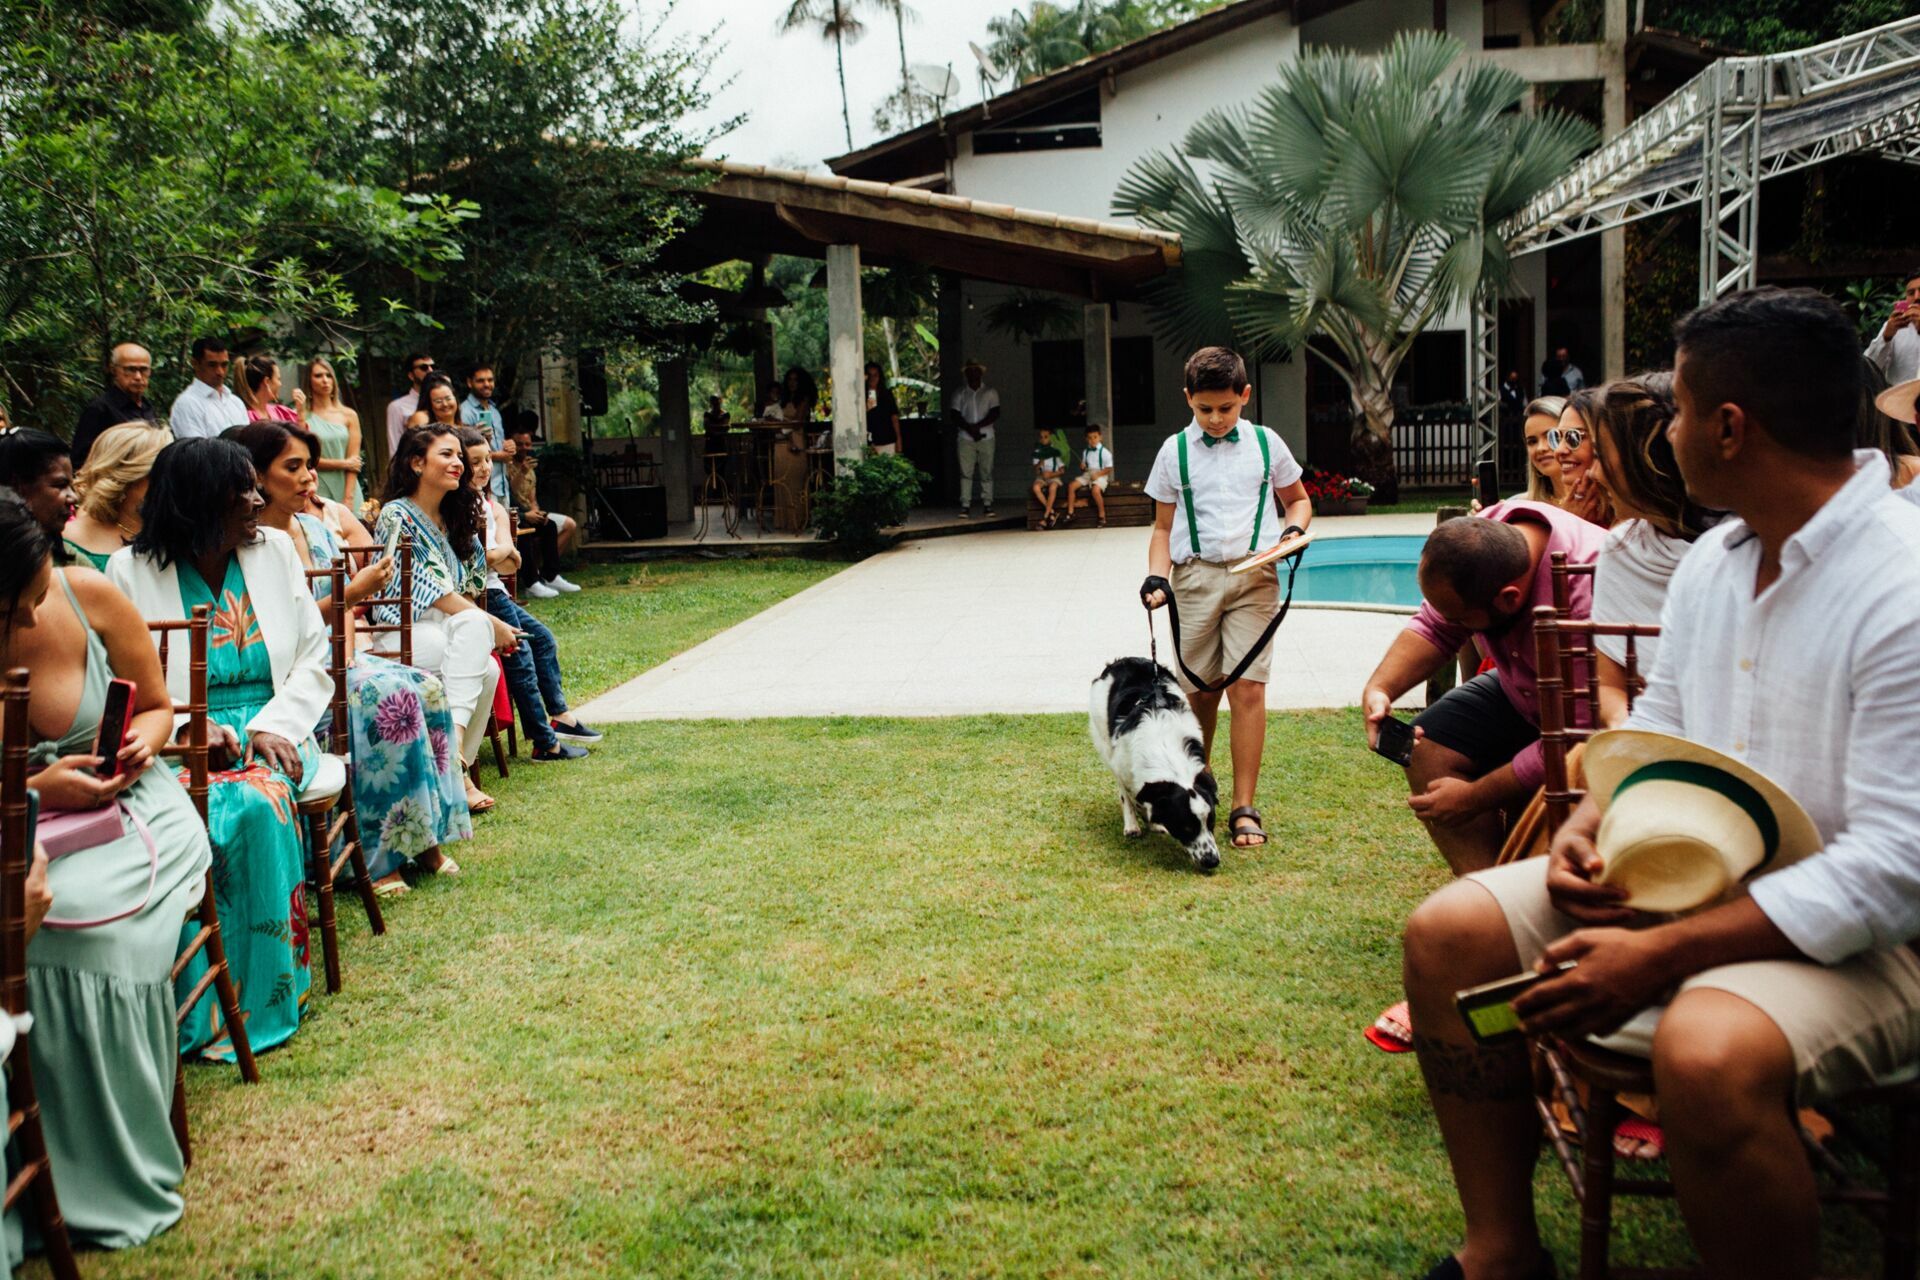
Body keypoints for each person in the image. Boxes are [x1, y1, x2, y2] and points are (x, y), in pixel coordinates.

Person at [1402, 286, 1920, 1280]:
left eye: (1678, 410)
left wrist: (1663, 952)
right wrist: (1591, 818)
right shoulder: (1717, 562)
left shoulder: (1900, 579)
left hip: (1880, 943)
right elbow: (1658, 724)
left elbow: (1895, 870)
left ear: (1730, 428)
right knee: (1449, 934)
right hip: (1698, 881)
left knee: (1706, 1048)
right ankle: (1501, 1251)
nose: (1662, 431)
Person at [0, 492, 213, 1256]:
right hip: (24, 823)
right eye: (14, 607)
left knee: (72, 930)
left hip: (135, 812)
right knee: (23, 924)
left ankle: (104, 1176)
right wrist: (30, 789)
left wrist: (141, 749)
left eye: (34, 599)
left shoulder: (88, 595)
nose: (30, 621)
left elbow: (158, 708)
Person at [108, 437, 330, 1060]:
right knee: (182, 813)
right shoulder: (128, 574)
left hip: (277, 724)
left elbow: (314, 656)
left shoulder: (277, 551)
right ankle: (194, 1009)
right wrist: (182, 730)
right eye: (244, 493)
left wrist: (274, 726)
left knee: (253, 807)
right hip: (178, 736)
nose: (259, 501)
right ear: (203, 503)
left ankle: (262, 999)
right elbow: (120, 684)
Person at [234, 420, 470, 891]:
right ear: (257, 476)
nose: (308, 479)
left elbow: (340, 623)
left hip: (337, 657)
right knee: (383, 699)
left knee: (424, 685)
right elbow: (282, 627)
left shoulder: (316, 531)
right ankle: (379, 856)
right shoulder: (248, 545)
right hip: (289, 673)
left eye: (311, 467)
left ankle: (423, 836)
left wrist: (347, 655)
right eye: (293, 467)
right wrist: (350, 595)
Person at [1361, 499, 1607, 878]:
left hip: (1594, 722)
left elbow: (1574, 737)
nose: (1453, 623)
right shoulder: (1488, 532)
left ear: (1509, 597)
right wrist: (1380, 688)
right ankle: (1486, 888)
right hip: (1521, 690)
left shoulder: (1581, 591)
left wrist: (1474, 798)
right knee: (1426, 750)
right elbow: (1435, 625)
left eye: (1461, 618)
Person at [1141, 346, 1312, 850]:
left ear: (1245, 395)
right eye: (1205, 409)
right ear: (1189, 399)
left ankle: (1244, 805)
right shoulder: (1173, 451)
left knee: (1248, 689)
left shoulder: (1266, 443)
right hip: (1193, 580)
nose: (1216, 419)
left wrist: (1292, 533)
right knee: (1199, 691)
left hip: (1255, 578)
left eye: (1226, 408)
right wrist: (1157, 579)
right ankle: (1199, 789)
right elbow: (1162, 528)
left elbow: (1297, 499)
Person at [372, 424, 508, 813]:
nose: (458, 463)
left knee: (487, 663)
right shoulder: (395, 515)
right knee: (484, 666)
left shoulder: (457, 517)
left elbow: (469, 588)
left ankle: (451, 764)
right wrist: (492, 624)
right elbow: (426, 590)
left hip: (450, 625)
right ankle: (456, 774)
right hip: (404, 627)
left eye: (459, 456)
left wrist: (482, 622)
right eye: (446, 454)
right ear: (417, 463)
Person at [1573, 375, 1716, 728]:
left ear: (1647, 459)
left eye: (1602, 455)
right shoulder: (1621, 550)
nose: (1592, 473)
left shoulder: (1745, 549)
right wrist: (1632, 733)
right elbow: (1608, 683)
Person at [459, 429, 600, 761]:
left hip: (496, 589)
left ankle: (559, 717)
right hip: (483, 595)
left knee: (543, 639)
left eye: (485, 461)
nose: (482, 468)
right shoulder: (462, 505)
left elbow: (509, 563)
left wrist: (500, 551)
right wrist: (501, 551)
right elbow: (489, 558)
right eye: (474, 462)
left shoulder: (487, 502)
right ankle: (544, 741)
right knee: (520, 658)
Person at [62, 422, 168, 571]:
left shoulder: (171, 530)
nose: (169, 484)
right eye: (158, 475)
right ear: (124, 481)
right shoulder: (65, 542)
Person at [505, 420, 581, 596]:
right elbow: (512, 495)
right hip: (517, 513)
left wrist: (537, 512)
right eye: (519, 444)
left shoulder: (531, 468)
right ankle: (533, 579)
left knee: (552, 524)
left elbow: (532, 498)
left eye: (527, 444)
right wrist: (521, 472)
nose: (524, 448)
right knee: (526, 530)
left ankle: (550, 575)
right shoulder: (506, 466)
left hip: (528, 511)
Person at [71, 343, 157, 469]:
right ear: (114, 370)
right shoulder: (100, 409)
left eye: (143, 370)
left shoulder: (147, 407)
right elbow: (81, 460)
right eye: (130, 370)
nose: (138, 377)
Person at [301, 357, 364, 508]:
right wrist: (344, 464)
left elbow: (354, 462)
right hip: (319, 486)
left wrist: (348, 499)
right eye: (318, 376)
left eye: (328, 375)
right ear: (309, 381)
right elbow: (306, 459)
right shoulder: (303, 416)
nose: (325, 380)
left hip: (349, 488)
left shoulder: (349, 415)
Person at [167, 337, 251, 440]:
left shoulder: (236, 402)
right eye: (212, 365)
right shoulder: (187, 404)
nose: (220, 371)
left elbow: (250, 443)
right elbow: (196, 451)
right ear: (195, 364)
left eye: (224, 365)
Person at [0, 430, 75, 544]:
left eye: (71, 486)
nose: (74, 497)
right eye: (60, 485)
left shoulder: (72, 558)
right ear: (17, 486)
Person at [1549, 401, 1615, 528]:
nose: (1558, 451)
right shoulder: (1564, 511)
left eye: (1574, 437)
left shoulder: (1634, 519)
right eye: (1557, 437)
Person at [950, 358, 1000, 518]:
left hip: (986, 436)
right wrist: (970, 429)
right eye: (969, 371)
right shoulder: (959, 393)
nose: (972, 373)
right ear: (965, 374)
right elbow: (955, 415)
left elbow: (995, 413)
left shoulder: (990, 392)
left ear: (980, 373)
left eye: (975, 370)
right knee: (966, 472)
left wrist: (977, 426)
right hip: (965, 438)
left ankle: (987, 504)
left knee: (986, 471)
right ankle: (965, 505)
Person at [459, 363, 512, 505]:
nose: (487, 384)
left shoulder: (494, 411)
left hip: (501, 486)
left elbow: (498, 446)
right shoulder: (465, 411)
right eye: (481, 381)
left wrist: (509, 447)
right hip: (480, 487)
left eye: (490, 380)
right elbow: (465, 453)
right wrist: (499, 456)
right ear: (469, 383)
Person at [1863, 267, 1920, 386]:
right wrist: (1885, 338)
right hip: (1897, 400)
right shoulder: (1896, 326)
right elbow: (1868, 368)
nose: (1916, 297)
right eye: (1911, 293)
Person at [1518, 396, 1569, 504]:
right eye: (1532, 441)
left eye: (1552, 436)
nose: (1541, 448)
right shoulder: (1521, 506)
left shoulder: (1608, 504)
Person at [1063, 423, 1114, 527]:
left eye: (1095, 437)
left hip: (1100, 474)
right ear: (1086, 439)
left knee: (1095, 490)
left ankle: (1102, 515)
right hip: (1088, 474)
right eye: (1090, 438)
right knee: (1071, 486)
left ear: (1100, 437)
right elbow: (1086, 466)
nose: (1093, 440)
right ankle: (1071, 512)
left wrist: (1098, 474)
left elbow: (1109, 468)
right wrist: (1083, 466)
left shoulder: (1105, 452)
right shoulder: (1086, 452)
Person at [386, 353, 434, 458]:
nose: (430, 370)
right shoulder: (397, 407)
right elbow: (395, 447)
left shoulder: (444, 403)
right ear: (411, 375)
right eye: (423, 367)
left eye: (433, 367)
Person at [239, 353, 302, 425]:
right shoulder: (247, 419)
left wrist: (300, 413)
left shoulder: (281, 411)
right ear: (267, 382)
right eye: (278, 379)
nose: (280, 384)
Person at [1030, 426, 1066, 527]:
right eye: (1041, 437)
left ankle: (1046, 515)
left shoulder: (1055, 452)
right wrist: (1040, 464)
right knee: (1036, 487)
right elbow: (1036, 470)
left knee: (1053, 487)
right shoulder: (1038, 452)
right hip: (1042, 477)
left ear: (1051, 438)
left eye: (1046, 437)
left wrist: (1052, 474)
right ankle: (1052, 512)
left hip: (1053, 476)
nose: (1043, 439)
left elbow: (1062, 470)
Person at [864, 362, 901, 454]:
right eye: (869, 375)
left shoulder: (887, 394)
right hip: (869, 442)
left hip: (888, 440)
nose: (872, 378)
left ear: (880, 377)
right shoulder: (861, 396)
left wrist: (899, 439)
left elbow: (894, 418)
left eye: (875, 375)